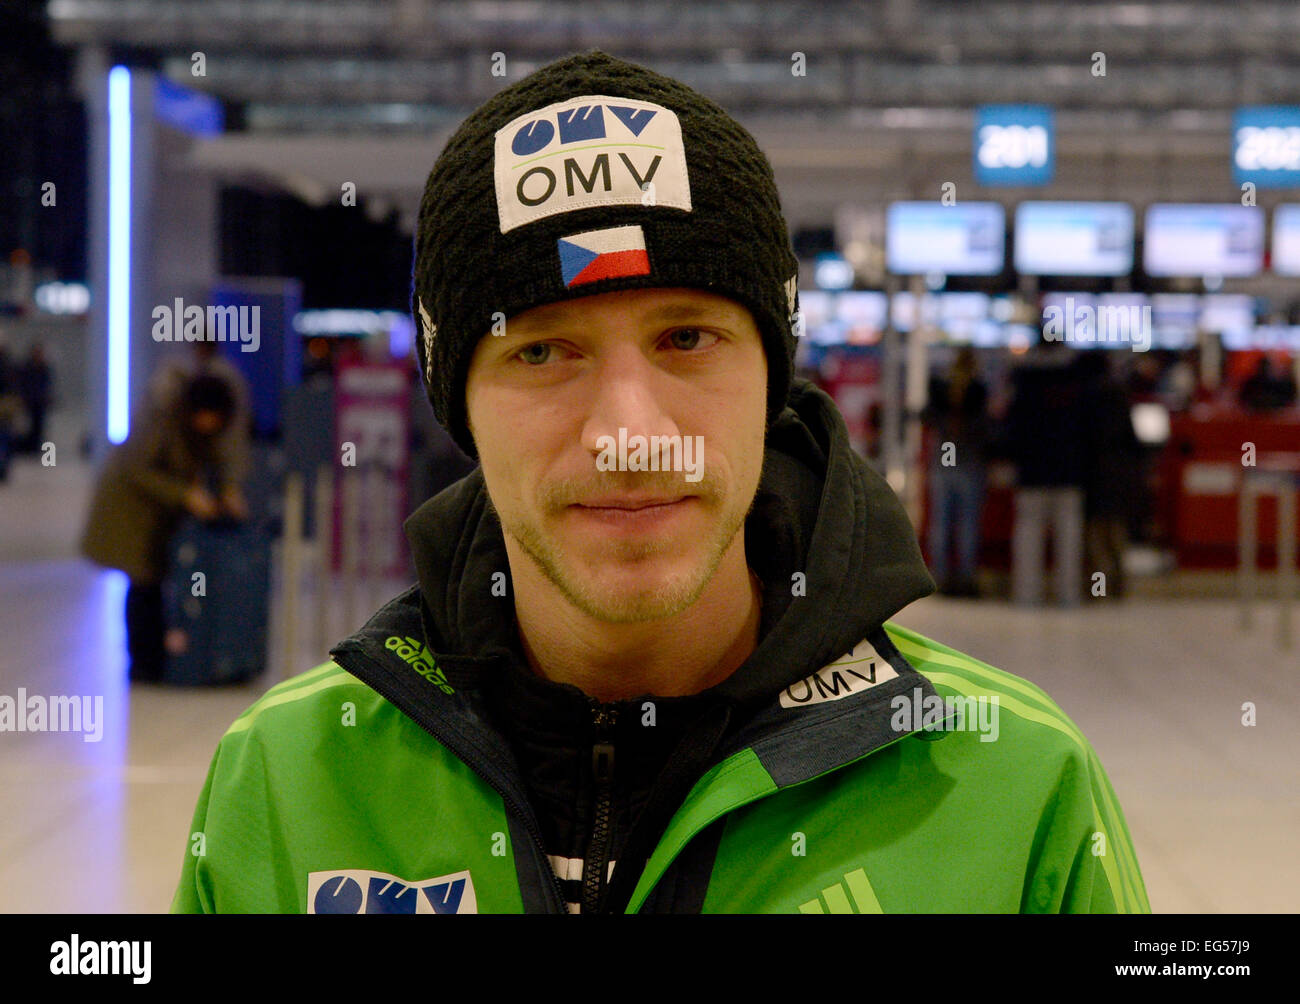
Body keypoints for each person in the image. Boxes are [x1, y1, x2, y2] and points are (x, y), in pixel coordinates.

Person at [172, 51, 1149, 914]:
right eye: (545, 350)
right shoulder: (286, 782)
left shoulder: (1013, 783)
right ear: (457, 404)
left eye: (687, 337)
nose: (628, 434)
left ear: (772, 377)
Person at [81, 374, 248, 682]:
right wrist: (185, 494)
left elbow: (217, 456)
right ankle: (142, 663)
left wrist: (228, 489)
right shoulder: (159, 417)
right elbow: (136, 469)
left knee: (153, 583)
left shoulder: (196, 423)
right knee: (143, 582)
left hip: (157, 514)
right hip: (130, 510)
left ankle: (155, 660)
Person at [1007, 340, 1088, 607]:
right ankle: (1068, 596)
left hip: (1031, 471)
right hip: (1070, 470)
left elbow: (1012, 427)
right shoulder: (1077, 380)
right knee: (1069, 535)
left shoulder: (1024, 380)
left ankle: (1026, 595)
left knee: (1028, 532)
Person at [923, 347, 989, 596]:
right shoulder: (979, 390)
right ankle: (966, 578)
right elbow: (985, 426)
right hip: (970, 461)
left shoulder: (940, 387)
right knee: (968, 523)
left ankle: (939, 577)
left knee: (941, 520)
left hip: (944, 458)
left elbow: (926, 417)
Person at [17, 342, 53, 453]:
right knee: (31, 425)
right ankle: (30, 446)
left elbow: (47, 384)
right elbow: (23, 383)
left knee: (39, 425)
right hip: (31, 400)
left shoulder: (44, 368)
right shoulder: (28, 368)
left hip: (40, 401)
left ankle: (36, 446)